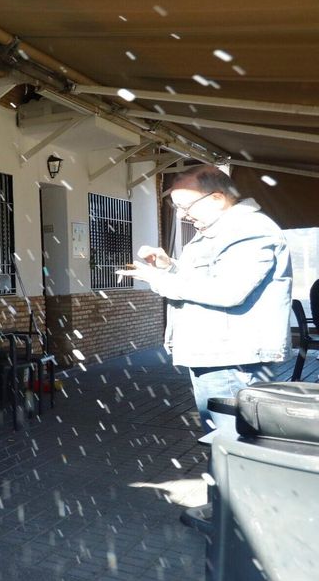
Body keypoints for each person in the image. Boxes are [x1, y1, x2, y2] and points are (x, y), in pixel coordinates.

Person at [118, 164, 292, 431]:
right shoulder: (223, 230)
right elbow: (209, 279)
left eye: (186, 207)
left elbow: (228, 290)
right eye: (178, 209)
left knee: (232, 442)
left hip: (233, 359)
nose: (183, 215)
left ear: (216, 198)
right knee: (223, 441)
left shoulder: (247, 229)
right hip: (219, 354)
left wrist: (158, 279)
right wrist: (170, 268)